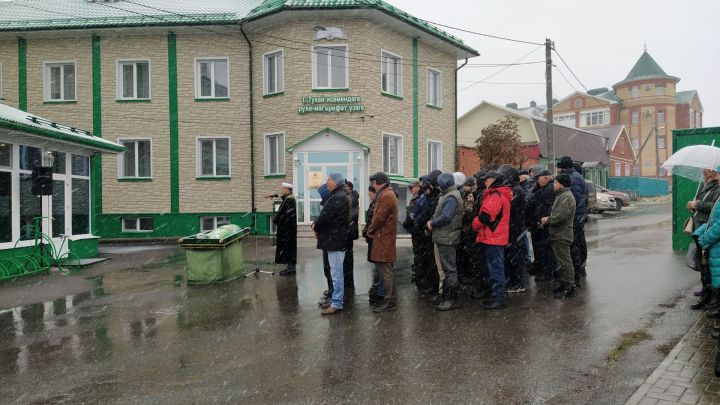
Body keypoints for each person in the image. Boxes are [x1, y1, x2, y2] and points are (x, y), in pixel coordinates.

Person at [472, 170, 511, 310]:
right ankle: (496, 296)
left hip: (493, 238)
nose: (484, 181)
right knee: (496, 268)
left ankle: (499, 299)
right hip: (495, 237)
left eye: (487, 179)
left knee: (495, 269)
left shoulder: (495, 196)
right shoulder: (498, 194)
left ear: (494, 180)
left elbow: (485, 217)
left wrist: (474, 223)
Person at [312, 173, 350, 315]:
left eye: (329, 179)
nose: (326, 182)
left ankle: (337, 303)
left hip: (335, 241)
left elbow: (324, 218)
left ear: (336, 182)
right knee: (335, 272)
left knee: (336, 273)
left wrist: (316, 226)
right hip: (333, 240)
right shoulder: (337, 196)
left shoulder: (337, 197)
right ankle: (336, 300)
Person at [427, 173, 464, 311]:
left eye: (440, 185)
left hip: (447, 237)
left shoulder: (451, 197)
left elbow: (446, 217)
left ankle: (451, 299)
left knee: (449, 269)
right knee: (448, 269)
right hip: (445, 236)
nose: (438, 187)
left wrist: (432, 223)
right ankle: (447, 297)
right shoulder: (451, 195)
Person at [365, 172, 399, 312]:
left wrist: (370, 230)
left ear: (378, 182)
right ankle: (388, 299)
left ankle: (389, 301)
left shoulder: (386, 195)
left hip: (383, 238)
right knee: (385, 270)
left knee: (385, 271)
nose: (372, 186)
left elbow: (378, 217)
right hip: (383, 238)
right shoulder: (386, 194)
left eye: (373, 182)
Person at [689, 167, 720, 310]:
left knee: (711, 268)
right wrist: (693, 207)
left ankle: (712, 300)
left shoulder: (716, 187)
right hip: (702, 228)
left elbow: (712, 207)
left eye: (708, 168)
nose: (704, 170)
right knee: (704, 266)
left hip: (708, 233)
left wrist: (697, 204)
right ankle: (707, 296)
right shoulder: (705, 184)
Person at [541, 173, 576, 299]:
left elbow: (560, 217)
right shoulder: (562, 195)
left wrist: (547, 220)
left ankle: (569, 287)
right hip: (558, 234)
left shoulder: (566, 197)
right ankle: (564, 283)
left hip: (562, 234)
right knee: (561, 261)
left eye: (555, 182)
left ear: (561, 184)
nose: (553, 185)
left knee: (565, 261)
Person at [557, 156, 588, 287]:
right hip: (578, 216)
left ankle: (577, 272)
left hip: (575, 218)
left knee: (574, 246)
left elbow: (572, 200)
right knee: (578, 244)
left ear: (563, 167)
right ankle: (579, 269)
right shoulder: (576, 176)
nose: (557, 170)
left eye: (559, 167)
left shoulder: (573, 178)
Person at [498, 164, 528, 293]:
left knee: (514, 257)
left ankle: (517, 283)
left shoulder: (516, 190)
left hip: (515, 229)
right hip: (512, 228)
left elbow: (507, 207)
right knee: (511, 257)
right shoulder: (513, 189)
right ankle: (512, 281)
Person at [527, 170, 556, 281]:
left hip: (544, 224)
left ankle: (547, 273)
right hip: (540, 223)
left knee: (546, 250)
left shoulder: (549, 189)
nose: (538, 182)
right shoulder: (544, 189)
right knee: (541, 249)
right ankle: (543, 270)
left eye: (538, 179)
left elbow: (544, 207)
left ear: (545, 178)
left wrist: (540, 220)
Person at [363, 185, 384, 305]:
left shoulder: (378, 203)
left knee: (379, 267)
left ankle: (380, 292)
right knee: (376, 265)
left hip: (376, 238)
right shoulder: (374, 203)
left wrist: (369, 230)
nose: (368, 195)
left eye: (369, 193)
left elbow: (375, 220)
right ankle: (377, 289)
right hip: (372, 238)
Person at [272, 182, 297, 276]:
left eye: (282, 189)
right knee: (289, 248)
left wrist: (276, 220)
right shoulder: (288, 198)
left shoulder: (289, 199)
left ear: (287, 189)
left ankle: (291, 268)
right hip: (288, 229)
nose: (281, 190)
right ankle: (291, 267)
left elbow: (284, 213)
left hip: (287, 229)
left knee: (289, 248)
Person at [403, 180, 423, 284]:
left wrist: (411, 223)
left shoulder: (420, 198)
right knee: (416, 253)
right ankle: (418, 272)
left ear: (418, 187)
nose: (411, 189)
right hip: (414, 229)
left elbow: (414, 214)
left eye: (412, 187)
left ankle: (420, 274)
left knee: (419, 253)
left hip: (418, 230)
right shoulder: (415, 198)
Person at [343, 181, 360, 294]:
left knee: (348, 258)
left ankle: (348, 282)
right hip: (348, 231)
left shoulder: (352, 198)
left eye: (344, 187)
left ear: (349, 187)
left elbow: (351, 216)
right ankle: (348, 281)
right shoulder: (351, 197)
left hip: (348, 232)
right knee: (347, 257)